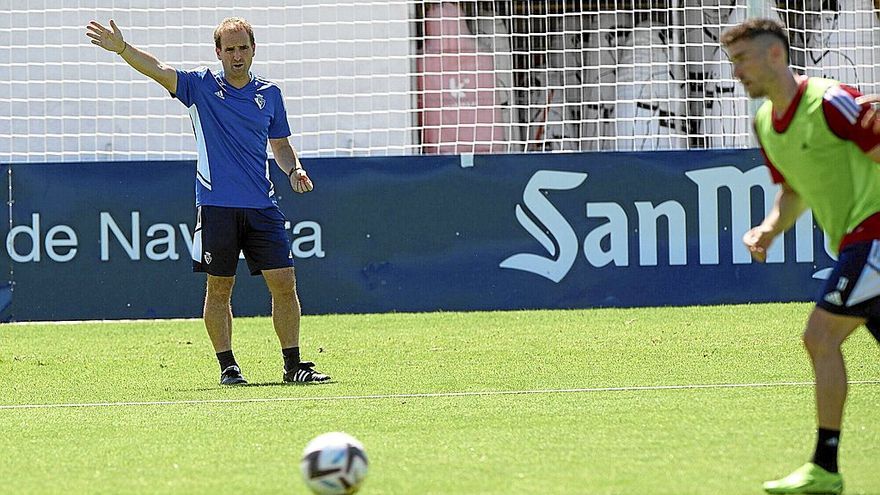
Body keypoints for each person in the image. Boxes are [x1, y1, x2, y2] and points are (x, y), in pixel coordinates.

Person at [86, 17, 330, 386]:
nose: (236, 55)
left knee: (284, 283)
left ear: (253, 49)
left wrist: (294, 169)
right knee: (219, 287)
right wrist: (122, 48)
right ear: (218, 52)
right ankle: (228, 367)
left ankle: (293, 365)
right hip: (217, 206)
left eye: (242, 48)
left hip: (262, 206)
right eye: (229, 49)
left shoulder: (270, 94)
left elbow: (279, 145)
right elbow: (159, 69)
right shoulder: (199, 86)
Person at [721, 18, 880, 494]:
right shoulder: (765, 123)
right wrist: (769, 230)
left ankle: (824, 469)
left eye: (743, 60)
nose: (736, 73)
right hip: (855, 241)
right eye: (732, 63)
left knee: (820, 336)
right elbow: (792, 191)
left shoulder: (829, 101)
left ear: (775, 55)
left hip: (874, 233)